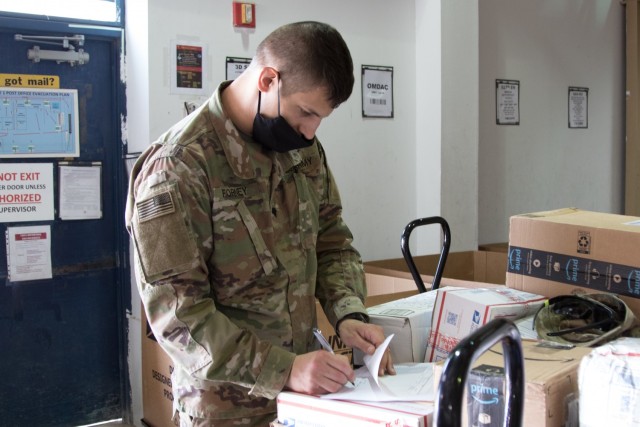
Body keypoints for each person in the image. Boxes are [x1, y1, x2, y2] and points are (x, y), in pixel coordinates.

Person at [125, 21, 394, 426]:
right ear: (268, 79)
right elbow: (180, 319)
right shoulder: (178, 169)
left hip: (303, 402)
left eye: (321, 118)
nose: (310, 130)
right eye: (305, 112)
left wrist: (348, 312)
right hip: (224, 410)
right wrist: (284, 370)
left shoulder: (300, 150)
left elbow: (332, 240)